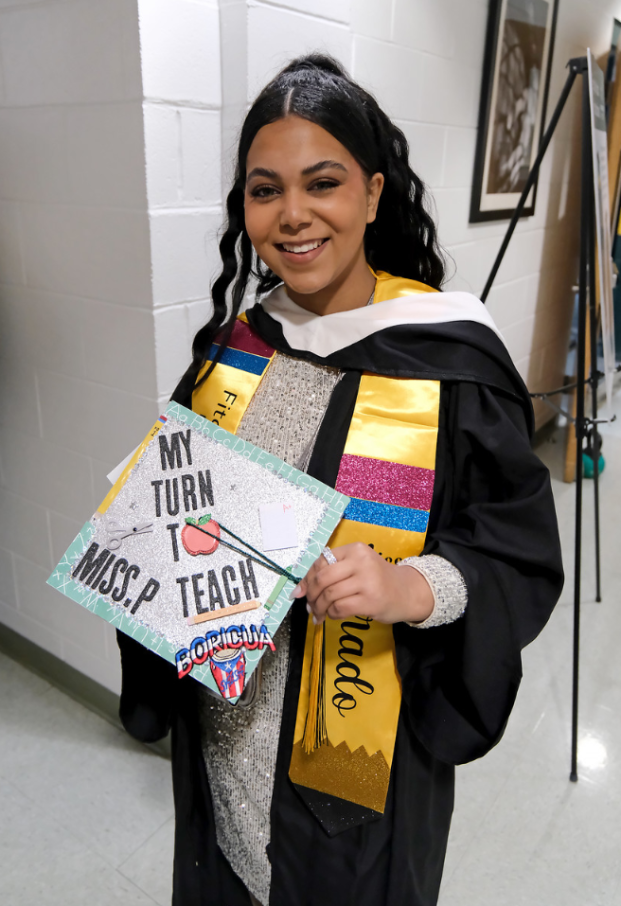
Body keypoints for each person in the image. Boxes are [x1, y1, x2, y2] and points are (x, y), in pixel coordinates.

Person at [117, 54, 563, 906]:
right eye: (263, 190)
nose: (292, 216)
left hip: (359, 756)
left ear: (370, 192)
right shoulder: (236, 349)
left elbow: (513, 550)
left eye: (321, 183)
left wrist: (409, 587)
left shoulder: (446, 360)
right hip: (225, 728)